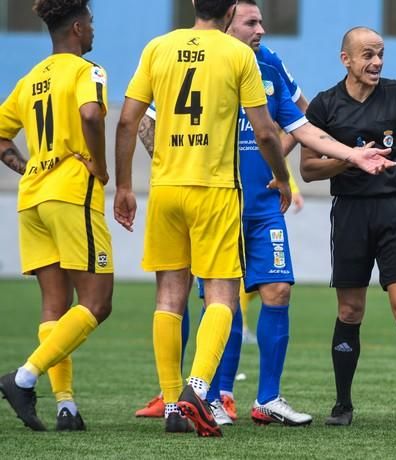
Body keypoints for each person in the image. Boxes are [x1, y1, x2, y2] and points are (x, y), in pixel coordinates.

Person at [114, 0, 293, 437]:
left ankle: (173, 400)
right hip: (213, 190)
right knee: (222, 297)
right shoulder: (237, 54)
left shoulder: (158, 47)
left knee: (169, 297)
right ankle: (197, 389)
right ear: (231, 10)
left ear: (194, 4)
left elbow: (126, 122)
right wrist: (283, 178)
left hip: (166, 189)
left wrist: (122, 186)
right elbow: (267, 131)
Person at [300, 26, 396, 429]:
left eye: (381, 53)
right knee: (350, 309)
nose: (377, 62)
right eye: (367, 54)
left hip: (393, 211)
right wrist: (351, 159)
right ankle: (342, 405)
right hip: (349, 212)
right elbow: (309, 170)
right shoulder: (325, 105)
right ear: (345, 59)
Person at [0, 0, 112, 432]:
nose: (94, 31)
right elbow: (90, 114)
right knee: (97, 303)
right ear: (79, 29)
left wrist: (23, 163)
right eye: (92, 24)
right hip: (70, 196)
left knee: (55, 305)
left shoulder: (31, 79)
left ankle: (66, 407)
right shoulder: (89, 72)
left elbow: (2, 132)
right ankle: (24, 378)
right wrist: (100, 167)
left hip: (32, 199)